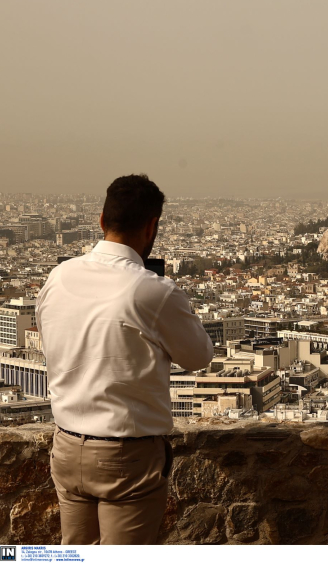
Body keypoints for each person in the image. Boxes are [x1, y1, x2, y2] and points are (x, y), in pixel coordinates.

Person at [36, 174, 213, 545]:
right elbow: (199, 357)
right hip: (125, 456)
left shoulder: (58, 276)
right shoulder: (151, 290)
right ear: (152, 226)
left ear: (102, 220)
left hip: (66, 447)